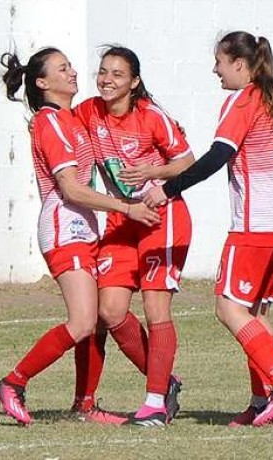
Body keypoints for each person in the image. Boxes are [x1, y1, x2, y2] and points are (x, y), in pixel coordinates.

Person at [143, 31, 273, 427]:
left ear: (240, 64)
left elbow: (219, 155)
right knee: (255, 312)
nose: (215, 70)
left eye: (219, 62)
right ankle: (261, 401)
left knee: (228, 307)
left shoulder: (243, 98)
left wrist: (168, 189)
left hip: (258, 223)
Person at [0, 47, 160, 426]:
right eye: (62, 68)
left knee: (99, 320)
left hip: (84, 228)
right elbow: (70, 189)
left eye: (70, 66)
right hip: (64, 228)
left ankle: (85, 404)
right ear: (42, 82)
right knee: (83, 321)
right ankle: (13, 383)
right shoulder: (49, 122)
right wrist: (126, 208)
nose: (72, 73)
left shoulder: (72, 118)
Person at [72, 45, 194, 426]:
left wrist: (152, 172)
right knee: (109, 311)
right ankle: (165, 382)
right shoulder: (89, 110)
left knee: (156, 308)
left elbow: (188, 162)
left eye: (117, 74)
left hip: (161, 217)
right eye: (103, 72)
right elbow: (59, 123)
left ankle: (155, 403)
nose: (107, 80)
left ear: (134, 82)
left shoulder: (152, 117)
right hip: (121, 221)